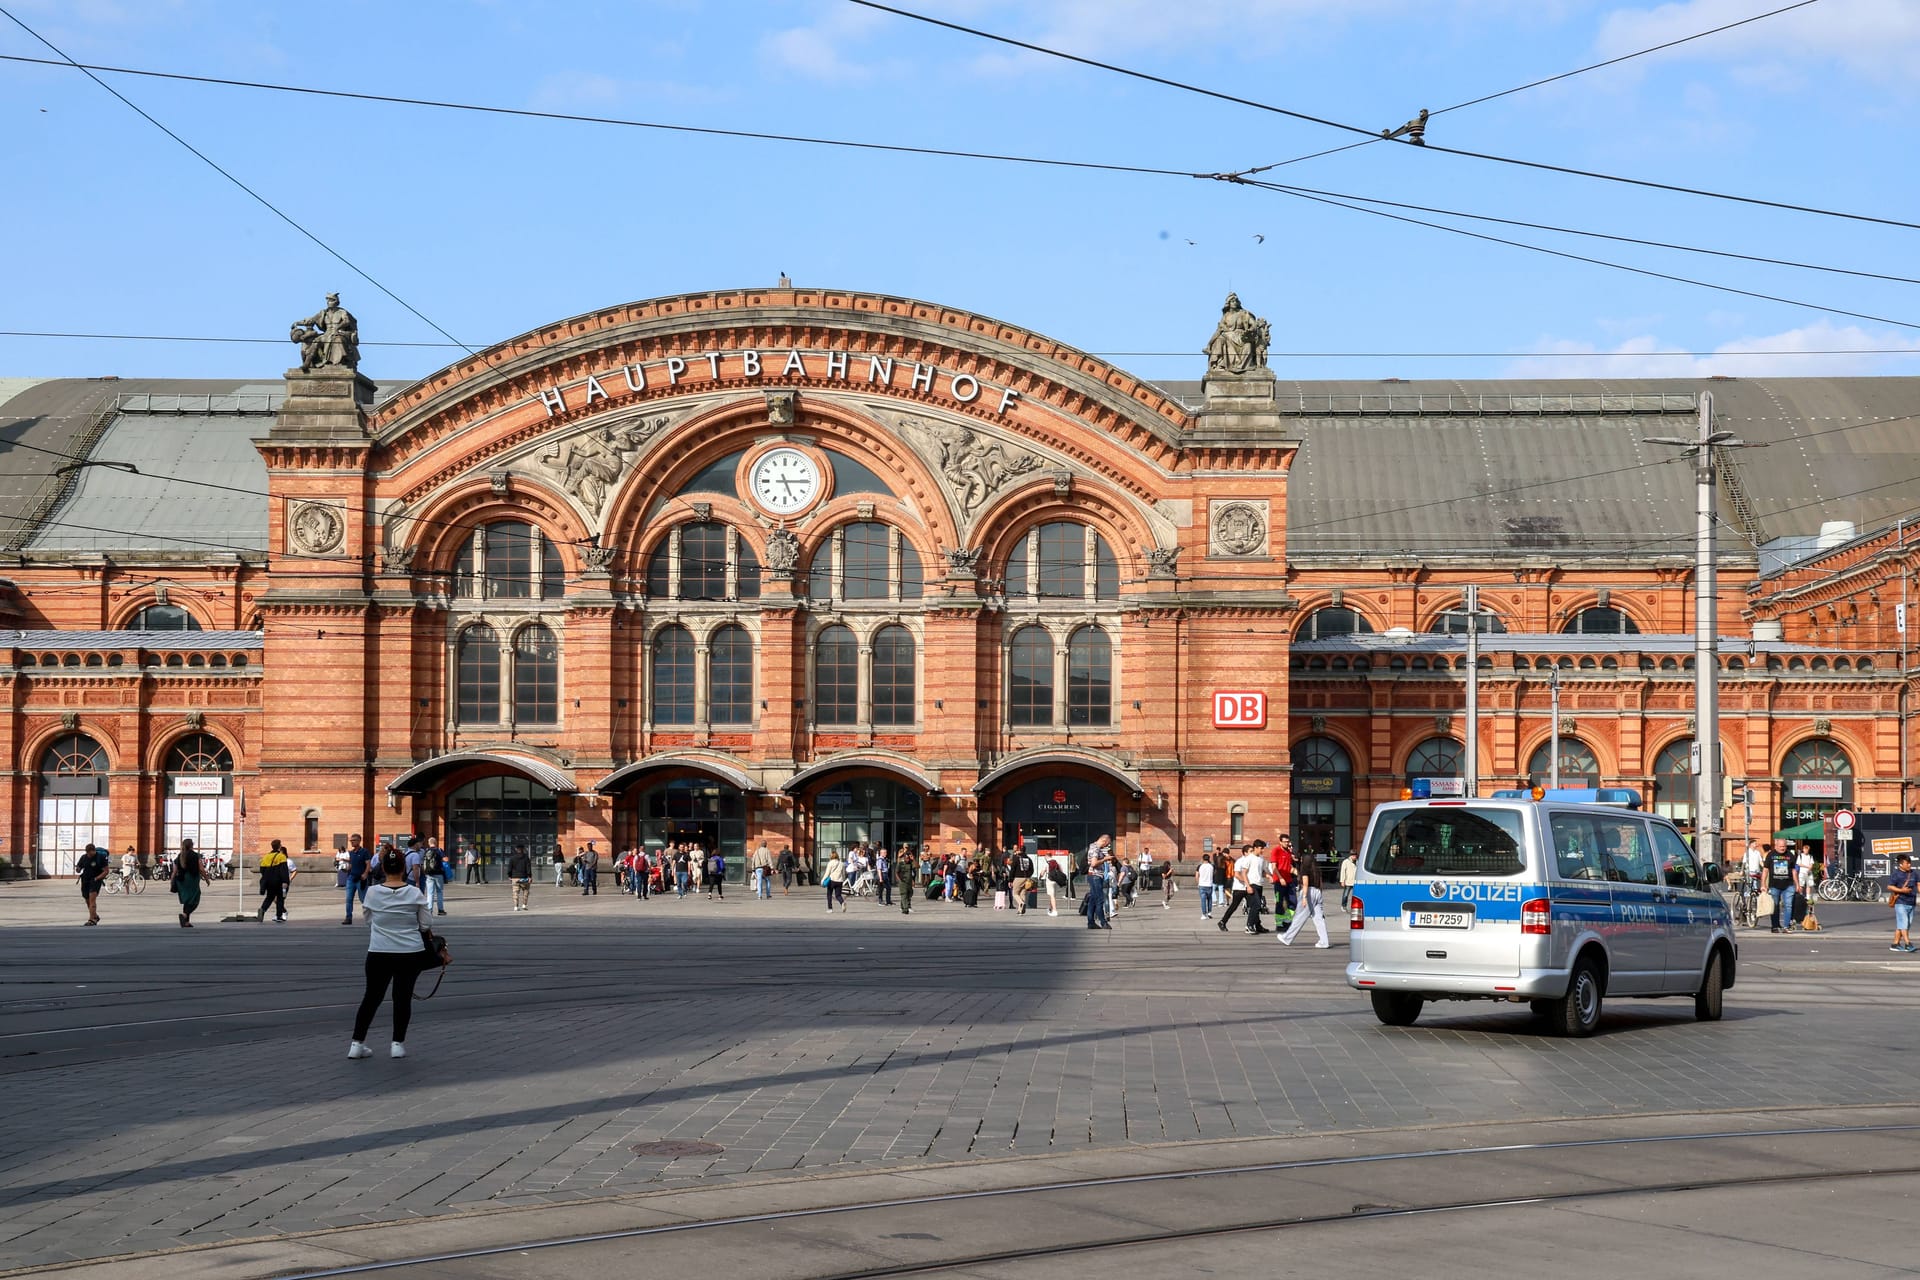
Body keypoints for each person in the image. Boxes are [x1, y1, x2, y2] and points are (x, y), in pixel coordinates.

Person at [347, 845, 431, 1060]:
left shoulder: (373, 893)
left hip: (379, 952)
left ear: (383, 868)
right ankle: (397, 1044)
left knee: (371, 997)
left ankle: (357, 1044)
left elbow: (368, 920)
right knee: (402, 998)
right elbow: (425, 925)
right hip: (410, 953)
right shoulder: (414, 893)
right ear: (404, 868)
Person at [1278, 855, 1330, 948]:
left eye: (1302, 859)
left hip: (1308, 892)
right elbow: (1320, 883)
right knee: (1319, 919)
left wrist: (1304, 897)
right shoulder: (1316, 870)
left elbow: (1305, 884)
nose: (1301, 860)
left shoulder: (1305, 869)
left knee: (1299, 917)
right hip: (1318, 892)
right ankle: (1324, 941)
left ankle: (1287, 938)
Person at [172, 838, 209, 928]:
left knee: (187, 900)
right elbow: (201, 869)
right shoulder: (196, 855)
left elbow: (174, 871)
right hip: (192, 879)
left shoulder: (180, 855)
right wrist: (207, 878)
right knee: (195, 899)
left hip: (181, 880)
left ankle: (186, 922)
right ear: (192, 845)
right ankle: (185, 915)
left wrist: (172, 881)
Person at [256, 838, 293, 922]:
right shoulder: (281, 856)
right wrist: (285, 881)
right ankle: (279, 916)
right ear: (279, 846)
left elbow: (262, 870)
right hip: (278, 881)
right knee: (280, 898)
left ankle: (262, 909)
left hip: (268, 881)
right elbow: (283, 870)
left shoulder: (266, 856)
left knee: (269, 897)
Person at [1765, 838, 1796, 933]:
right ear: (1776, 846)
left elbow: (1794, 870)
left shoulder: (1790, 855)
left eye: (1785, 846)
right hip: (1774, 885)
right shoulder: (1771, 855)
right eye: (1781, 846)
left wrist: (1797, 884)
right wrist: (1763, 884)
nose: (1783, 848)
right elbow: (1765, 870)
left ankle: (1786, 927)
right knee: (1775, 906)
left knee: (1788, 905)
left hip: (1788, 885)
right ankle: (1775, 926)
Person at [75, 842, 110, 925]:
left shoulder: (100, 857)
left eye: (91, 853)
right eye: (88, 853)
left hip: (95, 881)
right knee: (87, 900)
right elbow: (79, 869)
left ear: (94, 851)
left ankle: (92, 920)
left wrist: (97, 878)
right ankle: (95, 915)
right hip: (85, 880)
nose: (89, 855)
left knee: (92, 899)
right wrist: (78, 869)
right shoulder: (84, 857)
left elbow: (106, 871)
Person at [1888, 853, 1917, 953]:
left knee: (1905, 925)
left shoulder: (1914, 873)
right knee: (1903, 923)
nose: (1909, 865)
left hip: (1911, 902)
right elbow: (1890, 886)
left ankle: (1895, 944)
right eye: (1907, 863)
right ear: (1901, 864)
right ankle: (1908, 944)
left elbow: (1919, 886)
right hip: (1900, 902)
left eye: (1910, 863)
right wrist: (1901, 891)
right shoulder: (1896, 874)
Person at [1083, 838, 1113, 930]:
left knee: (1093, 899)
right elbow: (1094, 863)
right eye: (1107, 844)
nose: (1107, 846)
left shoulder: (1093, 847)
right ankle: (1103, 922)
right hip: (1095, 876)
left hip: (1094, 876)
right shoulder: (1095, 848)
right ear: (1104, 841)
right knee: (1100, 899)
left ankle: (1091, 922)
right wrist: (1105, 859)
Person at [343, 835, 371, 925]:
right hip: (351, 878)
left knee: (363, 899)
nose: (352, 842)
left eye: (354, 840)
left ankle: (369, 917)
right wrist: (347, 869)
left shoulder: (364, 852)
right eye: (351, 840)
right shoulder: (351, 853)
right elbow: (351, 865)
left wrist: (365, 874)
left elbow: (368, 864)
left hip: (361, 878)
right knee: (348, 899)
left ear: (359, 841)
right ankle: (348, 917)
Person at [422, 841, 448, 915]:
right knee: (439, 892)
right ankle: (440, 910)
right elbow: (446, 859)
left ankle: (429, 910)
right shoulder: (439, 850)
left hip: (429, 874)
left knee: (430, 893)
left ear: (429, 843)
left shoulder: (426, 850)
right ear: (435, 843)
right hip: (438, 874)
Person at [507, 845, 533, 911]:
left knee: (515, 892)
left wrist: (509, 876)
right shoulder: (526, 858)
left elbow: (509, 868)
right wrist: (529, 876)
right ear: (523, 849)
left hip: (515, 878)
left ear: (516, 849)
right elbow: (528, 868)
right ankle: (524, 905)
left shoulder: (512, 858)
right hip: (524, 877)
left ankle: (516, 906)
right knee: (526, 891)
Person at [896, 848, 918, 914]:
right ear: (904, 858)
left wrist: (913, 859)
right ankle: (906, 909)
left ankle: (902, 906)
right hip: (903, 881)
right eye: (906, 858)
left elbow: (917, 866)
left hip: (909, 882)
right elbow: (896, 872)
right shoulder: (900, 863)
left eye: (908, 858)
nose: (907, 859)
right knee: (904, 894)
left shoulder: (911, 864)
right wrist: (899, 880)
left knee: (909, 894)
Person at [1195, 854, 1216, 919]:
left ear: (1202, 859)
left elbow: (1196, 876)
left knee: (1203, 900)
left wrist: (1198, 883)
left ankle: (1204, 914)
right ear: (1209, 859)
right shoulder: (1212, 866)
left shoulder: (1199, 866)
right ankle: (1209, 912)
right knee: (1209, 899)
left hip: (1202, 885)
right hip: (1209, 884)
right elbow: (1214, 874)